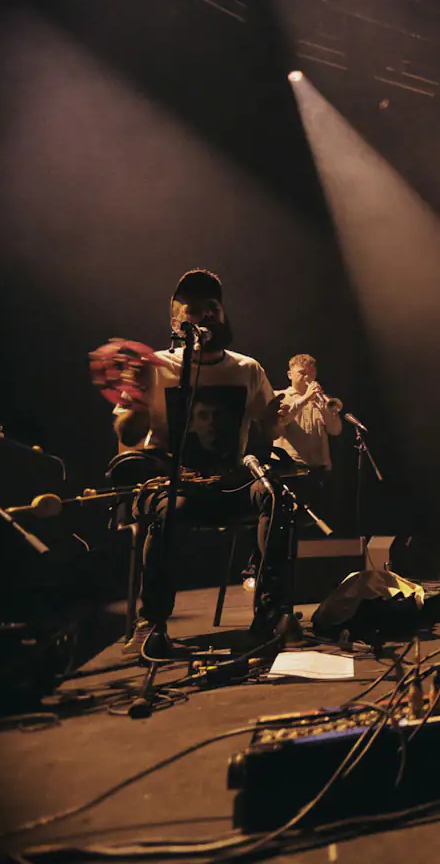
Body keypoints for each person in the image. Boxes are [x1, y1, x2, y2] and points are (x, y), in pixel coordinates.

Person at [110, 269, 293, 656]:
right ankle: (153, 624)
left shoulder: (246, 369)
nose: (206, 315)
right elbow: (127, 436)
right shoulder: (154, 366)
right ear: (176, 322)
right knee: (168, 510)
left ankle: (271, 617)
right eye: (194, 309)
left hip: (230, 482)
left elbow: (269, 423)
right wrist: (138, 398)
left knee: (277, 499)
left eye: (213, 308)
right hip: (174, 484)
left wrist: (282, 413)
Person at [274, 354, 343, 526]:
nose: (308, 377)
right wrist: (304, 399)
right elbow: (281, 421)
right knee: (289, 524)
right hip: (291, 471)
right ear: (290, 375)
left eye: (311, 373)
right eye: (302, 373)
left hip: (319, 471)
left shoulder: (321, 400)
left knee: (319, 525)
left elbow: (335, 430)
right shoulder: (280, 396)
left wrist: (326, 410)